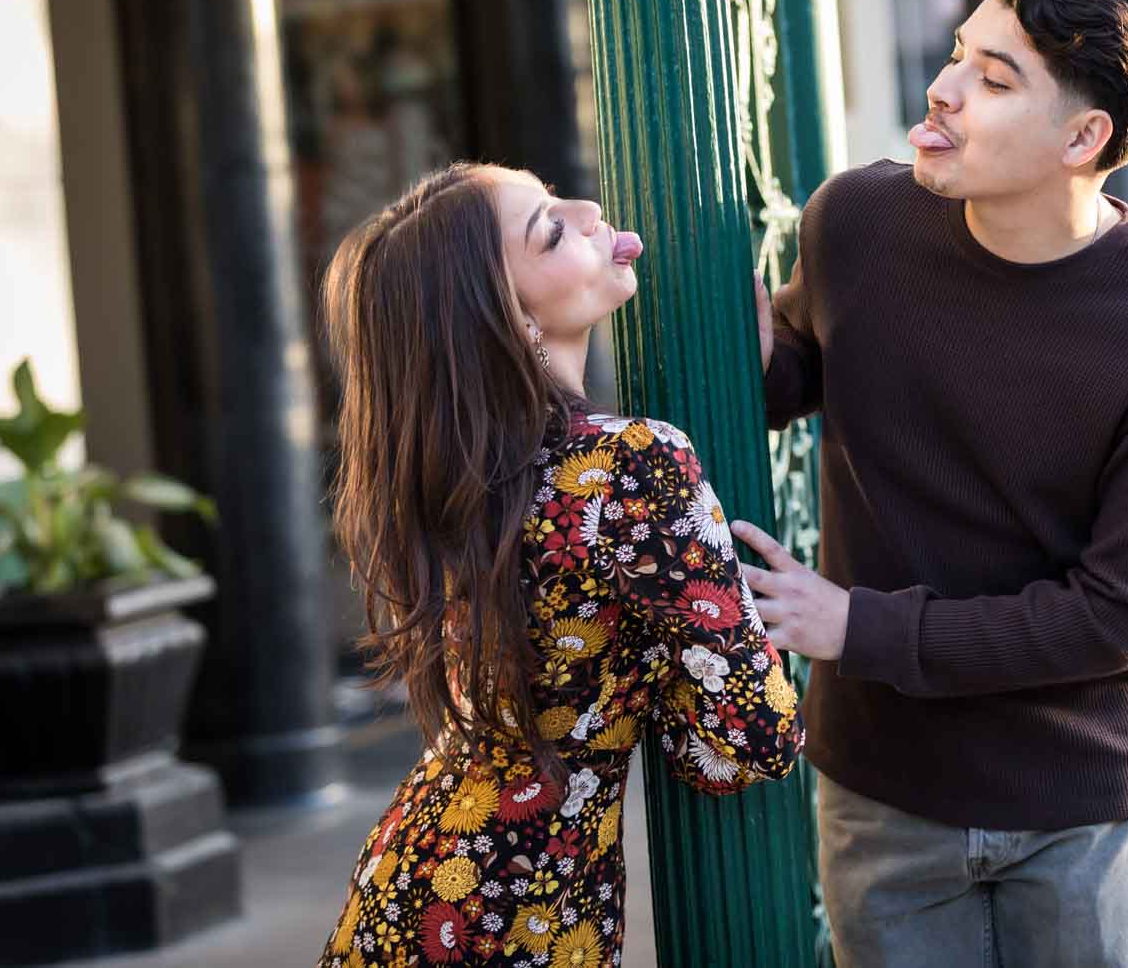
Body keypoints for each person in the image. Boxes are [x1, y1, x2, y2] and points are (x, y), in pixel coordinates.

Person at [739, 0, 1128, 966]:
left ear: (1081, 138)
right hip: (885, 791)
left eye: (992, 77)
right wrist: (715, 312)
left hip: (1078, 816)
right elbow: (790, 371)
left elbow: (1108, 616)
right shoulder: (857, 224)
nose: (943, 88)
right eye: (959, 51)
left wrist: (858, 627)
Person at [313, 162, 803, 968]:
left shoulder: (466, 485)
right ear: (510, 319)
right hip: (521, 920)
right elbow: (750, 741)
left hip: (411, 892)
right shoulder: (635, 463)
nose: (588, 208)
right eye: (549, 227)